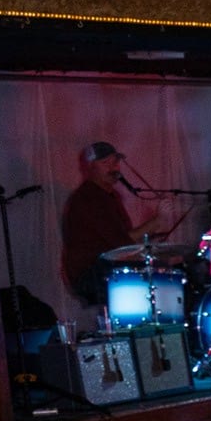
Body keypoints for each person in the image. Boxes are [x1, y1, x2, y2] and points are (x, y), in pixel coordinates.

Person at [59, 138, 151, 324]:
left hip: (106, 267)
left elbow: (122, 243)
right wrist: (155, 224)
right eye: (105, 163)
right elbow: (121, 244)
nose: (113, 168)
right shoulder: (88, 198)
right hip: (91, 273)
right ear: (90, 167)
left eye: (115, 162)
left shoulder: (110, 196)